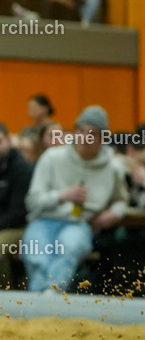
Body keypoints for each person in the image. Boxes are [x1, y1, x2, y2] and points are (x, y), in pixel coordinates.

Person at [22, 106, 128, 293]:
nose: (85, 137)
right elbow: (32, 201)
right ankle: (38, 299)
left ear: (103, 138)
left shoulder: (113, 167)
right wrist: (62, 196)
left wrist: (114, 213)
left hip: (80, 223)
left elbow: (122, 201)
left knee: (68, 248)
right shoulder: (51, 157)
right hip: (43, 220)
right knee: (35, 254)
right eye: (81, 130)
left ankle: (51, 295)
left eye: (92, 133)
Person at [0, 120, 33, 288]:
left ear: (8, 141)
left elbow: (18, 213)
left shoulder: (22, 168)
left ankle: (2, 301)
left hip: (19, 228)